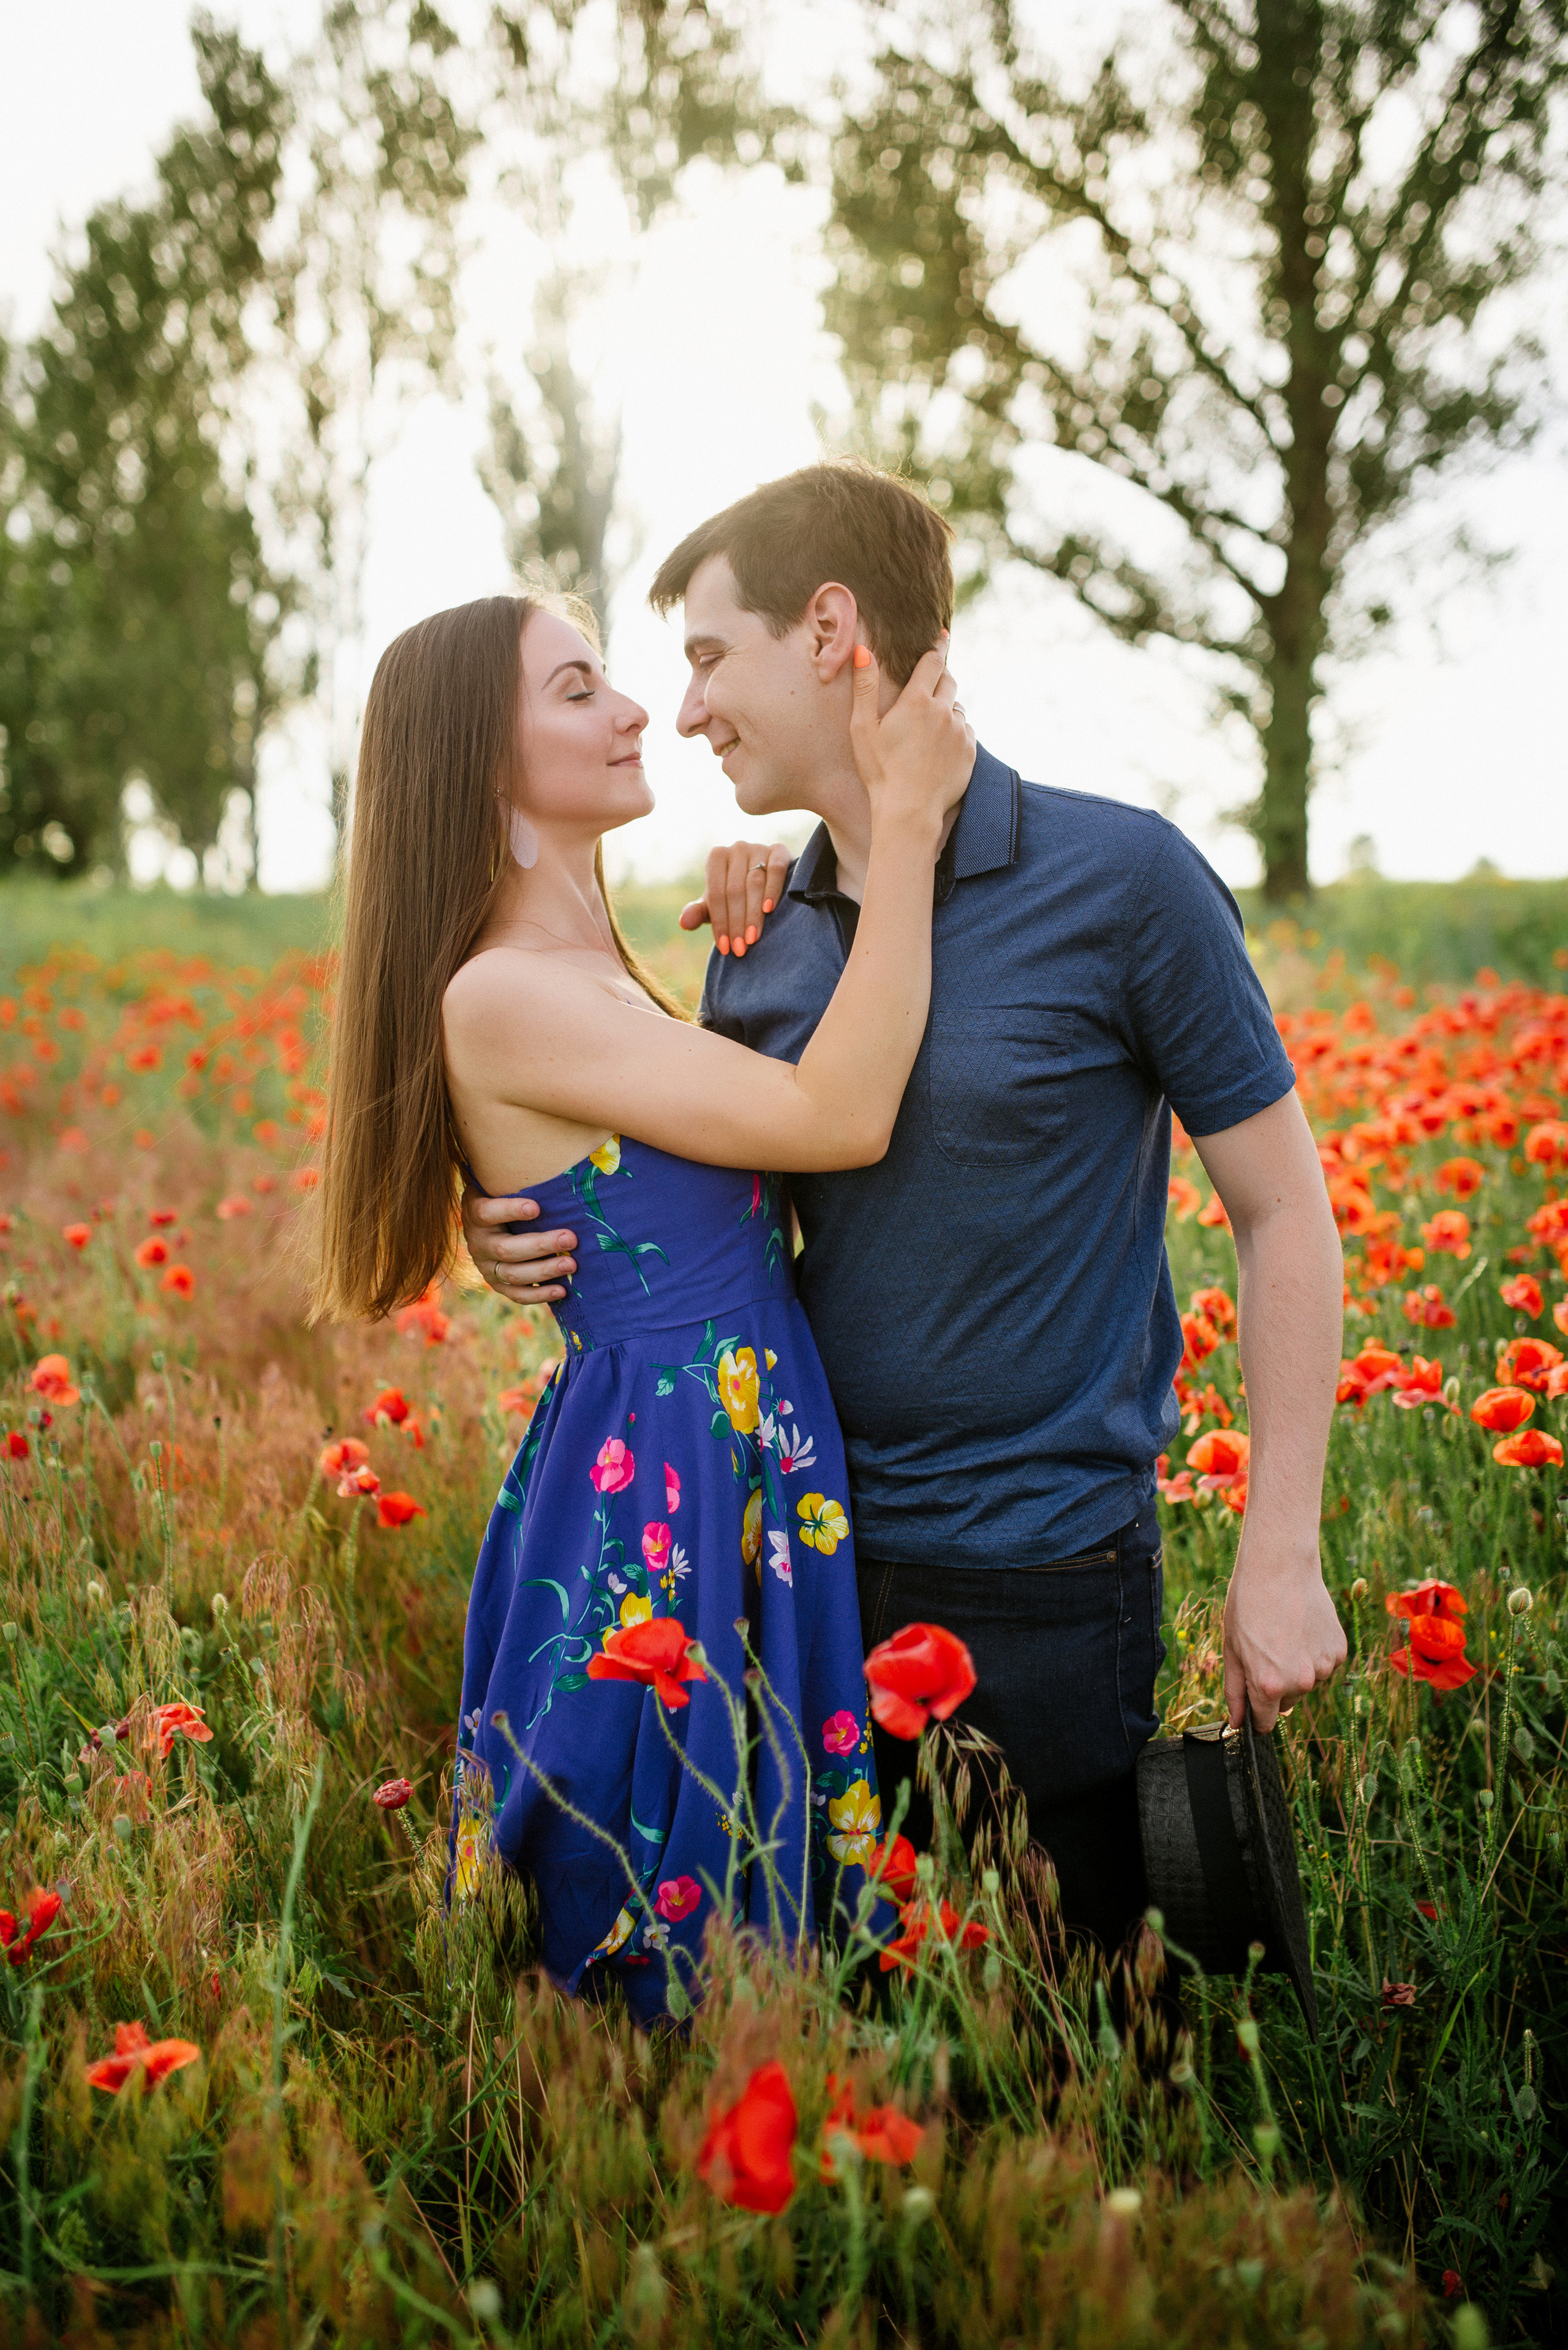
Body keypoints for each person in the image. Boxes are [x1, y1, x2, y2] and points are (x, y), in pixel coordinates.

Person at [463, 462, 1348, 1960]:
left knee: (1064, 2032)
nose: (685, 710)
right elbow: (698, 1179)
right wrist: (514, 1223)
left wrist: (1279, 1550)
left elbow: (1281, 1215)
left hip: (1046, 1575)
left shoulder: (1123, 882)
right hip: (799, 1572)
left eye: (707, 657)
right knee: (838, 2034)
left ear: (827, 632)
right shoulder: (755, 930)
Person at [311, 588, 974, 2023]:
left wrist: (779, 895)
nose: (634, 712)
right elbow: (839, 1114)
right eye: (577, 691)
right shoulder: (501, 994)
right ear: (480, 765)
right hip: (665, 1471)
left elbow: (657, 1169)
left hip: (725, 1440)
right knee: (654, 1865)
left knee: (731, 1842)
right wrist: (906, 827)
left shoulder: (586, 969)